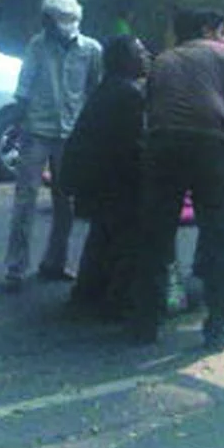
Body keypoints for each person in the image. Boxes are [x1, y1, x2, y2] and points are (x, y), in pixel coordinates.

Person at [130, 8, 224, 350]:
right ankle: (218, 324)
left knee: (156, 238)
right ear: (208, 32)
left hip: (162, 146)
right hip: (210, 146)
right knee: (219, 235)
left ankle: (146, 323)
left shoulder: (161, 60)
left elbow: (147, 109)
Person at [2, 0, 103, 292]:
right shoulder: (37, 45)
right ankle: (15, 268)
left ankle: (54, 262)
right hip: (37, 131)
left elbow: (94, 91)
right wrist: (18, 127)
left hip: (70, 135)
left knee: (66, 202)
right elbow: (24, 89)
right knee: (25, 201)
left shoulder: (91, 50)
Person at [60, 35, 149, 320]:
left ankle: (87, 292)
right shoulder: (129, 95)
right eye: (140, 52)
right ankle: (117, 301)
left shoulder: (107, 89)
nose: (146, 56)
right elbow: (133, 148)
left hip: (89, 180)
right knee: (130, 238)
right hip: (110, 184)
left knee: (102, 235)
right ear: (124, 60)